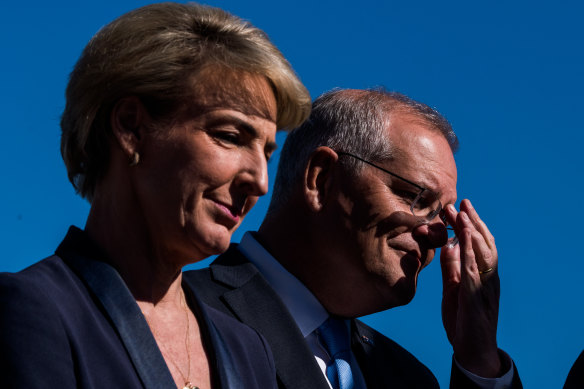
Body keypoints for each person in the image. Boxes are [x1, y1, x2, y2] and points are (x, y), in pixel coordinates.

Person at [0, 3, 310, 389]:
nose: (260, 182)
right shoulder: (32, 311)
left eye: (266, 153)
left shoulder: (251, 351)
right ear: (132, 127)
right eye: (231, 137)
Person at [186, 88, 523, 388]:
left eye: (442, 215)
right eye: (415, 198)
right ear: (322, 179)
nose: (435, 235)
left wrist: (480, 360)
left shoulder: (408, 378)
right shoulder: (179, 315)